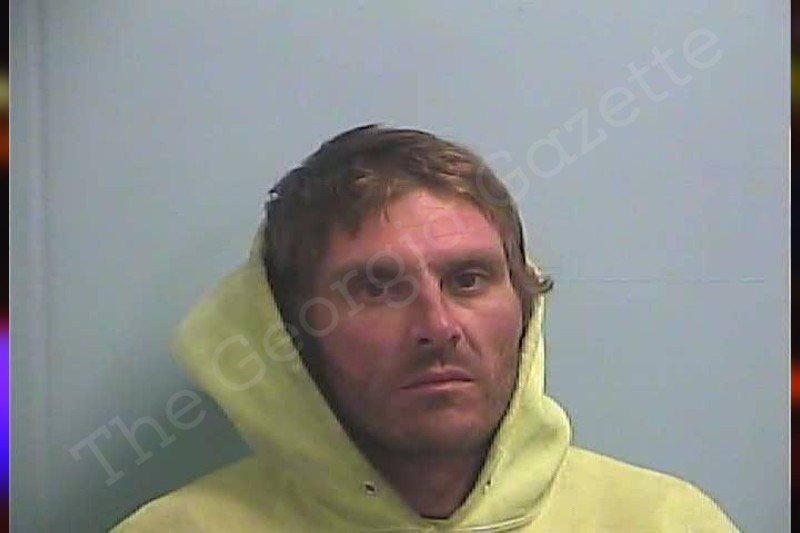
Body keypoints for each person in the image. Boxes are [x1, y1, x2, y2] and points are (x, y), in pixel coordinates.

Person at [113, 125, 738, 531]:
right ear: (291, 331)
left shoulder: (665, 521)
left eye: (468, 279)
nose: (437, 327)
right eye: (376, 288)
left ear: (524, 304)